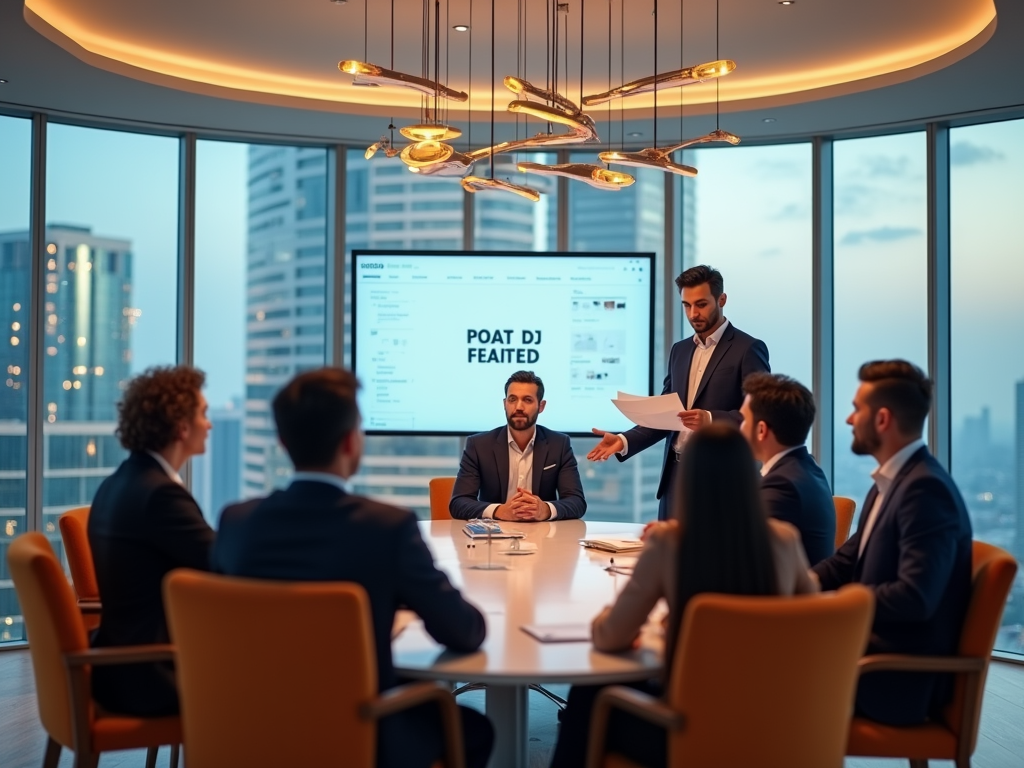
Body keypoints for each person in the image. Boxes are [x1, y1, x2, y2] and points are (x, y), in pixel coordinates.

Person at [213, 368, 493, 768]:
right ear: (350, 442)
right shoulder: (386, 528)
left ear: (282, 441)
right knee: (477, 731)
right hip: (361, 733)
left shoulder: (235, 524)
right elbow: (465, 631)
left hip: (250, 730)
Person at [550, 424, 816, 768]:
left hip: (686, 731)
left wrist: (628, 625)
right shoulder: (784, 540)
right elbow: (813, 618)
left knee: (587, 694)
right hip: (772, 728)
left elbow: (609, 636)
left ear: (689, 479)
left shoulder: (671, 543)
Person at [813, 360, 972, 726]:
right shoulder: (889, 483)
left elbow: (914, 597)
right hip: (867, 655)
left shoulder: (925, 490)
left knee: (755, 671)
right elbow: (845, 563)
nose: (850, 420)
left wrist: (833, 606)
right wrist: (794, 585)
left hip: (894, 678)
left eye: (856, 409)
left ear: (882, 419)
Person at [588, 265, 770, 520]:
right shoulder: (680, 351)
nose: (693, 313)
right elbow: (666, 416)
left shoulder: (748, 349)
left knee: (711, 560)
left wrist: (710, 419)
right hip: (675, 479)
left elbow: (762, 415)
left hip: (722, 481)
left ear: (722, 300)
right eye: (687, 305)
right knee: (671, 556)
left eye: (702, 304)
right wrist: (623, 441)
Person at [88, 365, 215, 716]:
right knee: (272, 677)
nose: (210, 424)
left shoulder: (120, 482)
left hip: (119, 665)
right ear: (181, 426)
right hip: (151, 673)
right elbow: (220, 564)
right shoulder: (159, 496)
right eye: (203, 414)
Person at [450, 370, 586, 521]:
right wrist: (499, 511)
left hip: (544, 537)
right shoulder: (479, 445)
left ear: (541, 406)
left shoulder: (558, 444)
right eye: (512, 399)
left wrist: (545, 510)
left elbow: (577, 502)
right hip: (494, 537)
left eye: (527, 400)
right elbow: (458, 503)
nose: (519, 407)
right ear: (504, 404)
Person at [739, 372, 836, 565]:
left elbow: (747, 562)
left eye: (743, 419)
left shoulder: (782, 487)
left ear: (761, 430)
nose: (739, 427)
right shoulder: (807, 468)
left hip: (786, 594)